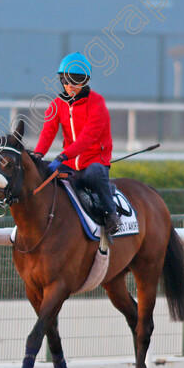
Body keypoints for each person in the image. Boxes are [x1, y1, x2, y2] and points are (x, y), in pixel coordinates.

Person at [32, 52, 121, 236]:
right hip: (70, 164)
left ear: (86, 81)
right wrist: (38, 155)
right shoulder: (56, 105)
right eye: (66, 80)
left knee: (95, 173)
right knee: (43, 175)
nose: (70, 85)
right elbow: (47, 133)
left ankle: (111, 214)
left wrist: (63, 155)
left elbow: (88, 136)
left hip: (95, 162)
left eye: (77, 80)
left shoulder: (97, 103)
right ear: (61, 80)